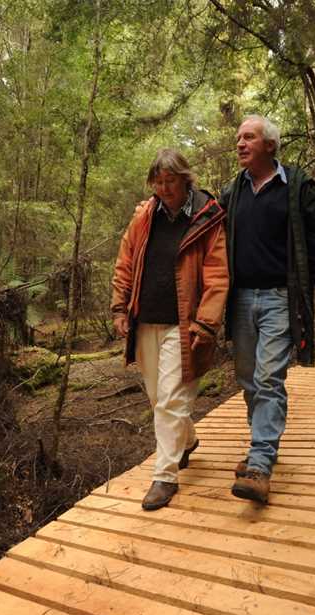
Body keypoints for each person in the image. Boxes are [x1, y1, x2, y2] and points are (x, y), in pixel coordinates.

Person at [221, 115, 315, 504]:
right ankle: (261, 445)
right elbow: (203, 220)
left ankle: (259, 465)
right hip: (240, 299)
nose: (240, 143)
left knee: (269, 376)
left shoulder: (298, 187)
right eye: (239, 137)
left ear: (270, 145)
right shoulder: (233, 191)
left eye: (249, 137)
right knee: (248, 379)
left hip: (279, 298)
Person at [111, 149, 229, 510]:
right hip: (145, 320)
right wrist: (119, 306)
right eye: (158, 182)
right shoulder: (145, 217)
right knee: (158, 399)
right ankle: (187, 439)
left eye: (170, 181)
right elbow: (126, 261)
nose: (164, 189)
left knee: (171, 400)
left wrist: (206, 322)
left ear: (185, 179)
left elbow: (217, 275)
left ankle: (165, 476)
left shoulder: (207, 218)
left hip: (185, 323)